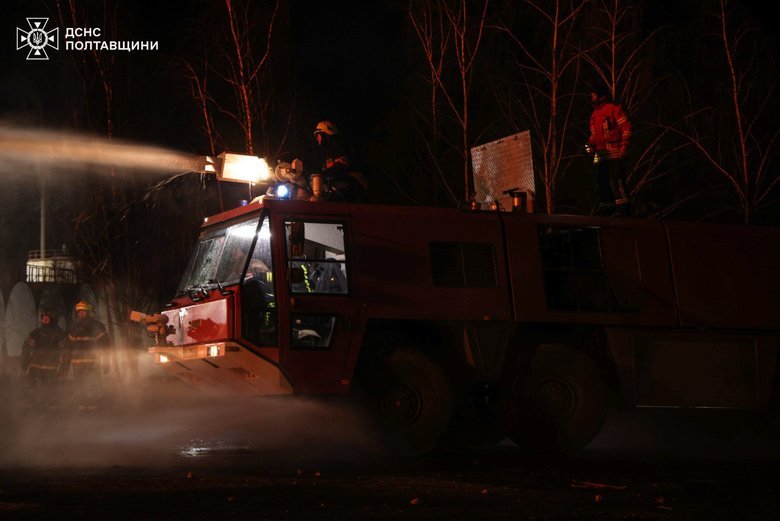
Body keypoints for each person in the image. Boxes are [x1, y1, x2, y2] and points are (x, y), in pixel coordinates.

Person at [587, 85, 633, 216]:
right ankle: (607, 207)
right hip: (601, 155)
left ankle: (623, 207)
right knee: (601, 181)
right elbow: (594, 134)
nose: (592, 97)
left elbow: (626, 127)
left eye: (594, 95)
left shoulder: (614, 109)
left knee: (615, 179)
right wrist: (591, 146)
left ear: (600, 95)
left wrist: (624, 146)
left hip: (615, 152)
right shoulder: (594, 114)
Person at [312, 120, 368, 202]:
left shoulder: (337, 145)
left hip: (353, 182)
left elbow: (342, 162)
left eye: (318, 135)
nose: (317, 138)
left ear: (325, 134)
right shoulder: (330, 148)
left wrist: (325, 168)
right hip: (351, 181)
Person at [62, 300, 110, 380]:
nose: (81, 313)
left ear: (88, 312)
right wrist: (63, 368)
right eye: (79, 311)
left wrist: (106, 363)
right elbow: (68, 349)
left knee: (94, 388)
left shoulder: (98, 326)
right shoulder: (73, 329)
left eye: (83, 311)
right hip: (77, 366)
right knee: (79, 390)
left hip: (93, 364)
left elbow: (105, 346)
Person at [20, 307, 67, 386]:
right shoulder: (36, 333)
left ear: (52, 319)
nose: (44, 319)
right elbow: (26, 348)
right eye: (43, 317)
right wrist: (24, 364)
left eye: (47, 318)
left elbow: (66, 352)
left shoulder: (59, 333)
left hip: (51, 368)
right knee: (33, 393)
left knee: (49, 393)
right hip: (35, 367)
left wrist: (63, 370)